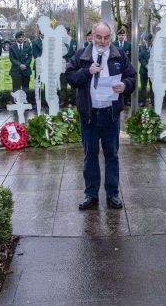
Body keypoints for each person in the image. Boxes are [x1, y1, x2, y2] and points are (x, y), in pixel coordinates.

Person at [65, 21, 136, 211]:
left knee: (112, 154)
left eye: (106, 38)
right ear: (92, 36)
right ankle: (91, 194)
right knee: (90, 155)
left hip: (110, 115)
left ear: (110, 37)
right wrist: (87, 71)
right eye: (99, 37)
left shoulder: (119, 54)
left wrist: (125, 86)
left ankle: (112, 194)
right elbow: (70, 76)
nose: (102, 41)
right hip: (89, 115)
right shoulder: (82, 55)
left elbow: (132, 76)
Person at [60, 26, 77, 105]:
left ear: (69, 32)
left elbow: (77, 53)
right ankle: (63, 100)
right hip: (62, 65)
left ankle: (74, 99)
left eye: (66, 32)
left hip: (72, 65)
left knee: (73, 83)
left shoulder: (74, 41)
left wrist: (71, 61)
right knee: (63, 84)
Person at [138, 34, 153, 107]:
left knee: (153, 86)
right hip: (143, 70)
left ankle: (153, 101)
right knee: (143, 87)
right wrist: (146, 65)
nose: (148, 42)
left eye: (150, 40)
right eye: (147, 40)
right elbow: (140, 58)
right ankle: (142, 101)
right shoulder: (141, 47)